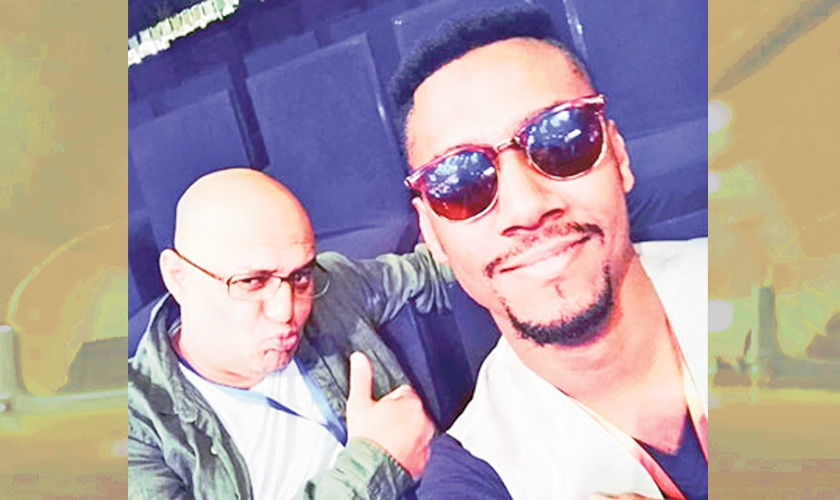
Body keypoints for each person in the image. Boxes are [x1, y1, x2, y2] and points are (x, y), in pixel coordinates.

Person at [391, 7, 707, 500]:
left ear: (618, 156)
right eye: (458, 181)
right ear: (431, 233)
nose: (526, 207)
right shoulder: (475, 478)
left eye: (561, 139)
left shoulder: (792, 282)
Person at [127, 168, 508, 499]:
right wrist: (378, 461)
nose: (287, 311)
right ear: (178, 277)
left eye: (300, 276)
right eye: (251, 281)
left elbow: (432, 270)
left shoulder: (332, 288)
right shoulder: (132, 423)